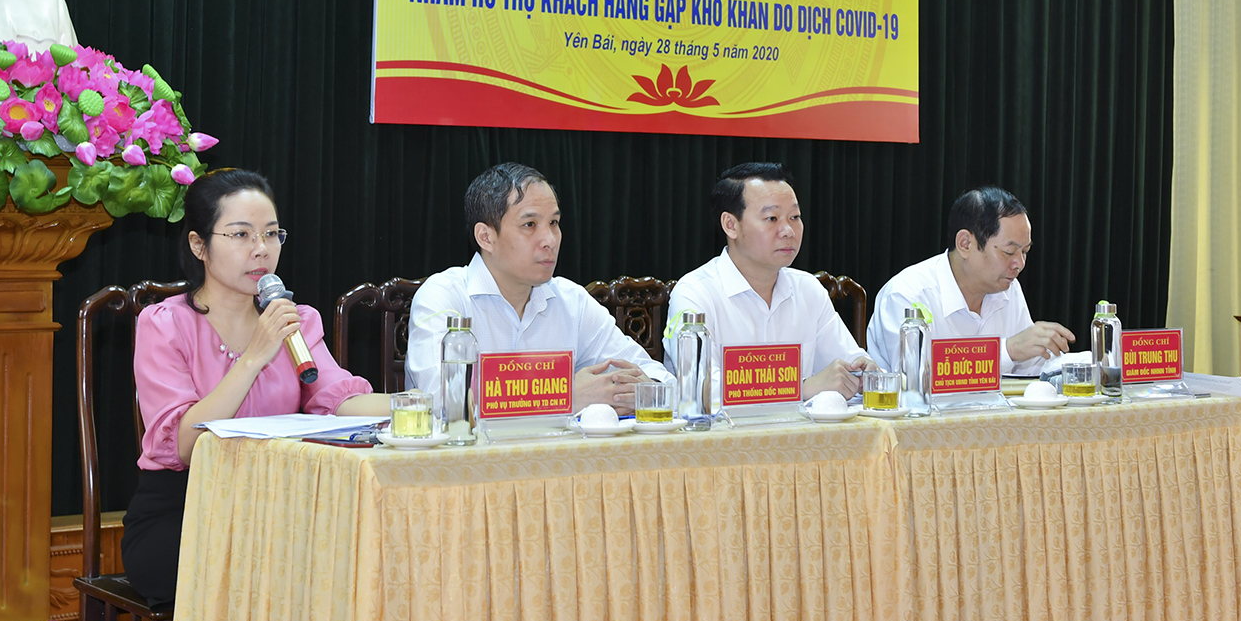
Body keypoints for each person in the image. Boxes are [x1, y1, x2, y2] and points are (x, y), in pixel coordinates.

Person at [121, 169, 387, 608]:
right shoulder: (165, 324)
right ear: (199, 245)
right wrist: (254, 356)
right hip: (186, 509)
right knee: (271, 571)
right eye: (241, 234)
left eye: (271, 234)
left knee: (353, 558)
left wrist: (420, 404)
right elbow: (184, 445)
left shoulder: (294, 321)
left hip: (277, 504)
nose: (261, 249)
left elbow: (340, 399)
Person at [405, 162, 673, 414]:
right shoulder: (444, 297)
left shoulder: (571, 301)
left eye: (554, 223)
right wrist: (566, 397)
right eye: (530, 225)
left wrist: (642, 392)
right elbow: (445, 403)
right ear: (486, 237)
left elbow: (660, 381)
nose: (550, 240)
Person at [665, 162, 876, 406]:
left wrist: (861, 373)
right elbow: (700, 389)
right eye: (772, 218)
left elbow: (848, 364)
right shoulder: (695, 293)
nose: (788, 231)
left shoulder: (808, 290)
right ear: (730, 225)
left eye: (794, 217)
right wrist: (802, 388)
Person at [866, 186, 1075, 376]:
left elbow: (1033, 365)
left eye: (1025, 252)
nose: (1019, 264)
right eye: (1009, 252)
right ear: (965, 243)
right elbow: (915, 376)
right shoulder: (906, 294)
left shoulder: (1008, 288)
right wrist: (1007, 350)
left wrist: (1085, 365)